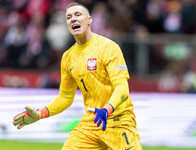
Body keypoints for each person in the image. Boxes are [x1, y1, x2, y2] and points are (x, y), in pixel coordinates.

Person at [13, 2, 142, 150]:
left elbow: (122, 89)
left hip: (119, 120)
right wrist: (39, 114)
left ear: (89, 20)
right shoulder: (68, 57)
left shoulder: (109, 48)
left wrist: (106, 109)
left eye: (78, 15)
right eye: (69, 17)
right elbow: (65, 97)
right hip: (91, 122)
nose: (73, 19)